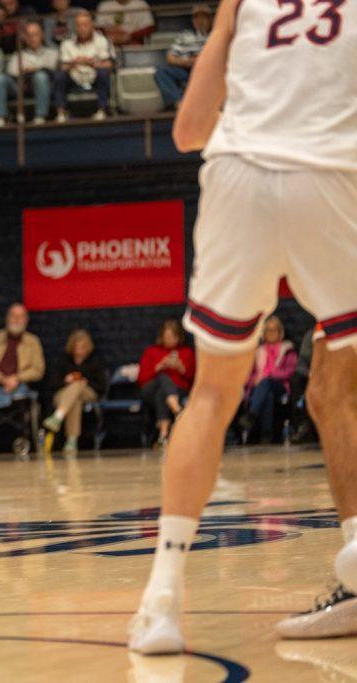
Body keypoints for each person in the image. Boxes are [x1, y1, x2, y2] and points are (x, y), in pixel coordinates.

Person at [130, 0, 357, 652]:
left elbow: (189, 128)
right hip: (336, 176)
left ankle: (162, 602)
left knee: (213, 392)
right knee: (344, 383)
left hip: (241, 174)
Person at [43, 329, 108, 454]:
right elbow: (52, 383)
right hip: (63, 394)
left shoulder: (95, 359)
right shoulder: (63, 359)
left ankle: (58, 416)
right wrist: (66, 381)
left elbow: (102, 386)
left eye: (82, 348)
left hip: (89, 392)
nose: (79, 351)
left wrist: (86, 382)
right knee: (75, 399)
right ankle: (71, 441)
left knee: (78, 385)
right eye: (76, 347)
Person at [136, 319, 195, 446]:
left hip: (178, 389)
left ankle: (163, 435)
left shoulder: (187, 352)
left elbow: (193, 380)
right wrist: (159, 366)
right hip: (149, 389)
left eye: (173, 337)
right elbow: (141, 379)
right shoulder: (151, 351)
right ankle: (177, 409)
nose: (170, 340)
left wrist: (181, 368)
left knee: (162, 394)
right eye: (167, 337)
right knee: (163, 377)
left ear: (179, 337)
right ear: (161, 337)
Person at [240, 316, 297, 443]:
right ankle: (267, 435)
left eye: (274, 330)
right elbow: (248, 374)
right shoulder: (257, 351)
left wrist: (271, 374)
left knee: (267, 382)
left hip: (280, 385)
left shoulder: (288, 349)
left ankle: (252, 415)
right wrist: (253, 380)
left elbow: (290, 371)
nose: (271, 333)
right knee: (268, 395)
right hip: (260, 387)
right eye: (268, 330)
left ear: (280, 332)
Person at [55, 11, 115, 123]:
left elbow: (109, 64)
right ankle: (61, 113)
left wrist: (90, 63)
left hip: (94, 75)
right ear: (75, 27)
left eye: (85, 25)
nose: (82, 28)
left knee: (103, 73)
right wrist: (74, 63)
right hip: (74, 76)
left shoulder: (102, 41)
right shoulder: (67, 43)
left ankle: (102, 110)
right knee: (59, 76)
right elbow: (62, 67)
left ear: (92, 25)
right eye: (79, 25)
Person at [0, 303, 45, 395]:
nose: (16, 320)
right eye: (13, 316)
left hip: (21, 386)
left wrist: (17, 378)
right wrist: (2, 379)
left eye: (21, 316)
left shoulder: (33, 342)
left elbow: (38, 370)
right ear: (7, 318)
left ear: (26, 320)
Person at [154, 5, 212, 109]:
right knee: (162, 72)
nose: (200, 21)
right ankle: (179, 103)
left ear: (210, 19)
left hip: (211, 71)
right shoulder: (184, 36)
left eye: (203, 17)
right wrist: (189, 61)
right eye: (196, 18)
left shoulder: (216, 34)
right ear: (193, 20)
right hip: (188, 69)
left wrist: (203, 60)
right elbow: (170, 58)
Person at [3, 21, 59, 125]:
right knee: (1, 79)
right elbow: (12, 73)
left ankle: (40, 116)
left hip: (47, 87)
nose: (33, 38)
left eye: (36, 34)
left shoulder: (52, 53)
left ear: (42, 35)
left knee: (40, 77)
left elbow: (55, 73)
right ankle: (1, 118)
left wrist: (35, 70)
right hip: (23, 88)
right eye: (29, 35)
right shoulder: (18, 55)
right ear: (25, 38)